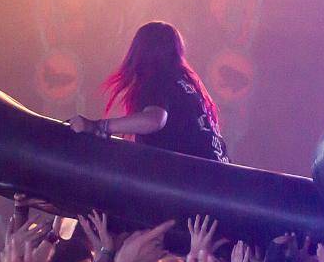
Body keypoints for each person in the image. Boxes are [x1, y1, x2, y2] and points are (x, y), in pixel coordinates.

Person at [68, 21, 229, 162]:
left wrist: (99, 126)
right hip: (218, 178)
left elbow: (154, 120)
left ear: (138, 51)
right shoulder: (187, 86)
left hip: (191, 180)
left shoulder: (158, 79)